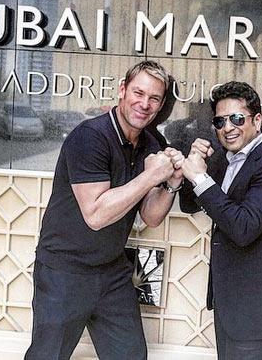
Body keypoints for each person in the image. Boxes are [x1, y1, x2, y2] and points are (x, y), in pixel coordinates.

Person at [25, 60, 184, 360]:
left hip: (112, 271)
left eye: (154, 98)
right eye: (138, 93)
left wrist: (171, 184)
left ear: (161, 104)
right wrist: (151, 175)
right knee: (48, 356)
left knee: (130, 355)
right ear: (123, 90)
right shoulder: (89, 137)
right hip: (65, 270)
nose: (145, 104)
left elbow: (150, 216)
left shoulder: (151, 142)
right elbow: (96, 216)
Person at [180, 81, 262, 360]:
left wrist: (200, 178)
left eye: (237, 118)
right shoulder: (229, 159)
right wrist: (195, 164)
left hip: (257, 310)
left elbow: (243, 227)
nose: (228, 127)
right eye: (220, 121)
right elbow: (190, 204)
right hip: (230, 306)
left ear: (257, 120)